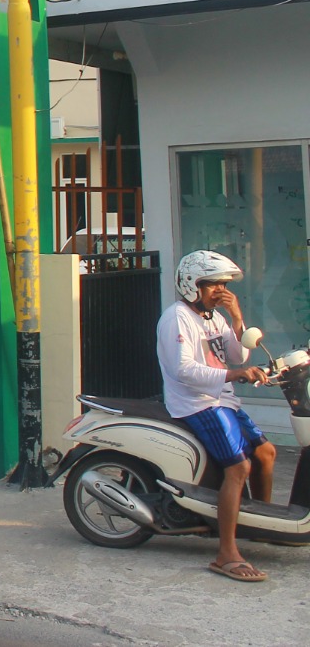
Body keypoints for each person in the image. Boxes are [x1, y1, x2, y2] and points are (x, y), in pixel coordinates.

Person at [156, 249, 277, 583]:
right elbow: (183, 370)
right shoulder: (177, 318)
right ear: (191, 284)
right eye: (213, 285)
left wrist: (236, 317)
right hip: (196, 402)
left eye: (224, 285)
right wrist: (234, 375)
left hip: (222, 398)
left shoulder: (214, 317)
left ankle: (258, 526)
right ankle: (226, 552)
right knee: (238, 468)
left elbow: (237, 354)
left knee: (266, 453)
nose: (220, 291)